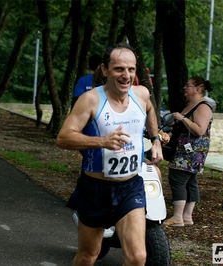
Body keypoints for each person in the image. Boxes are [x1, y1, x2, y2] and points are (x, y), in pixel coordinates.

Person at [56, 43, 163, 266]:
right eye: (119, 69)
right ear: (105, 69)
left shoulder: (141, 94)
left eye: (131, 70)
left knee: (138, 257)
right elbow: (63, 138)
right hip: (95, 189)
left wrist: (156, 139)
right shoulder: (91, 100)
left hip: (130, 187)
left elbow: (151, 110)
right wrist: (102, 141)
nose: (126, 76)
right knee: (88, 255)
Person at [164, 76, 213, 227]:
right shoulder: (192, 104)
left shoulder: (203, 106)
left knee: (177, 178)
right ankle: (187, 216)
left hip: (190, 152)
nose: (185, 88)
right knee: (191, 181)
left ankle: (178, 217)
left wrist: (182, 118)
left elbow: (199, 130)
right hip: (185, 150)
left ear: (198, 89)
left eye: (188, 85)